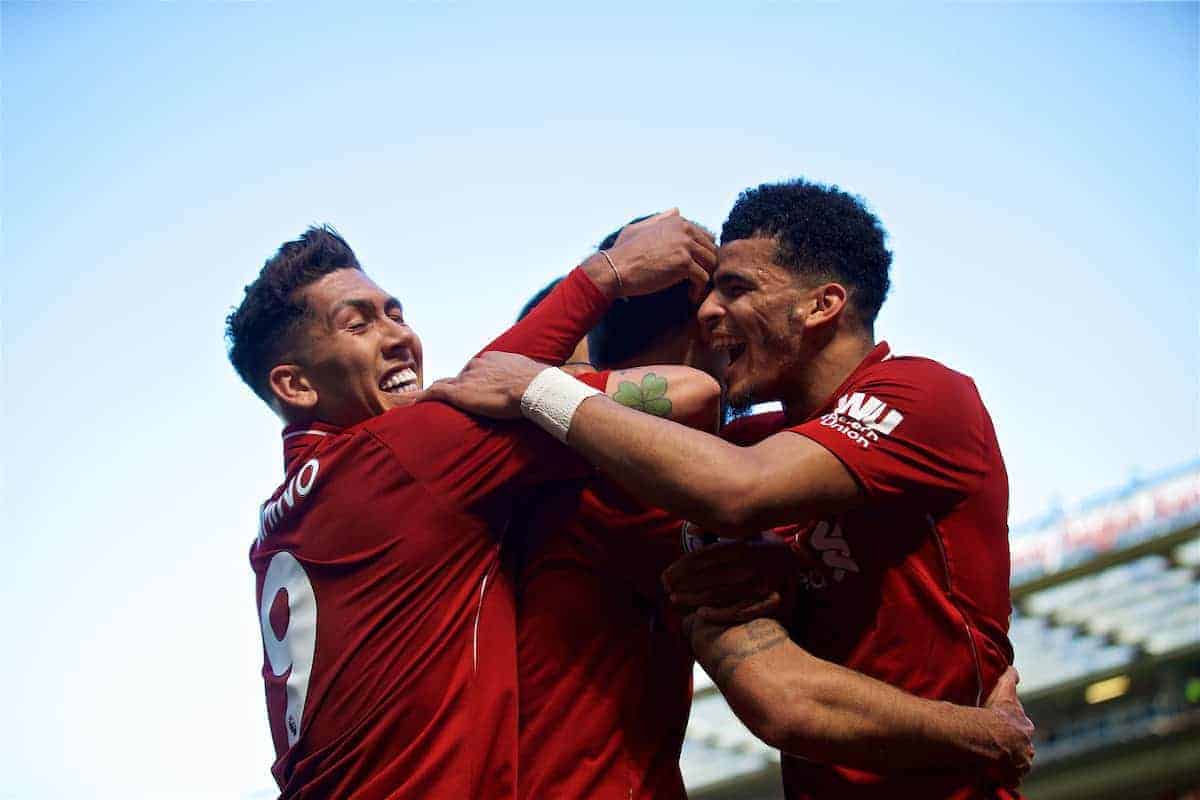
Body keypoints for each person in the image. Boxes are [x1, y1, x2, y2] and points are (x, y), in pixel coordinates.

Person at [415, 179, 1030, 798]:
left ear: (822, 305)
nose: (712, 314)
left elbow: (737, 487)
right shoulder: (709, 459)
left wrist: (534, 386)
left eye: (735, 289)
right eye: (708, 296)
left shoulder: (923, 396)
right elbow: (783, 702)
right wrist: (979, 732)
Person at [225, 216, 716, 798]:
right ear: (296, 386)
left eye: (396, 313)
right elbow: (688, 392)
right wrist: (607, 274)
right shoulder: (394, 460)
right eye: (357, 324)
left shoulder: (287, 516)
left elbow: (478, 391)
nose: (397, 336)